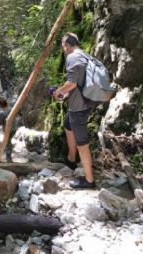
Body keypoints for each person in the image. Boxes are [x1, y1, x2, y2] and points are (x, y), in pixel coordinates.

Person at [53, 32, 96, 189]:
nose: (63, 49)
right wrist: (65, 93)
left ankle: (89, 180)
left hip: (79, 106)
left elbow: (71, 83)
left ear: (67, 45)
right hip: (90, 100)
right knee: (68, 125)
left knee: (82, 143)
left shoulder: (72, 57)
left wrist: (59, 92)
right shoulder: (85, 55)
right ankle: (72, 159)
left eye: (63, 46)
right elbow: (79, 81)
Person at [0, 96, 21, 162]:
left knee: (8, 143)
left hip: (8, 130)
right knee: (9, 142)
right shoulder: (11, 108)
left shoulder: (2, 113)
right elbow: (17, 116)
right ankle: (8, 157)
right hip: (14, 128)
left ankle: (8, 159)